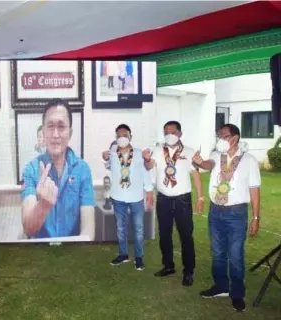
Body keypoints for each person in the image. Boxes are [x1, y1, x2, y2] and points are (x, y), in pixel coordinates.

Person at [193, 124, 260, 312]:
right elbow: (207, 165)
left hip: (236, 214)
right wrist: (199, 162)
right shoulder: (216, 155)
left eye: (224, 136)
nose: (220, 139)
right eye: (218, 136)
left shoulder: (249, 160)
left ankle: (237, 294)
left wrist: (255, 217)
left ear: (235, 138)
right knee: (218, 253)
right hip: (216, 212)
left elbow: (254, 189)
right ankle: (221, 286)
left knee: (236, 255)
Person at [21, 99, 95, 239]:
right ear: (43, 132)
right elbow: (28, 230)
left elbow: (88, 233)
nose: (55, 134)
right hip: (40, 256)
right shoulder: (31, 170)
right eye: (50, 126)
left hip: (73, 254)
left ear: (70, 133)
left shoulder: (83, 170)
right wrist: (43, 206)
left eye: (61, 127)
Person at [143, 121, 204, 286]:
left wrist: (200, 198)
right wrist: (147, 159)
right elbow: (149, 166)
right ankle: (168, 265)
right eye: (166, 132)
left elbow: (196, 176)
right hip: (163, 198)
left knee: (186, 236)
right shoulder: (157, 150)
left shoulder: (189, 152)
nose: (169, 135)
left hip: (182, 199)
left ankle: (188, 271)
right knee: (164, 235)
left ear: (180, 134)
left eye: (172, 132)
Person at [106, 124, 154, 270]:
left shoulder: (140, 153)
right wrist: (104, 158)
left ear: (130, 137)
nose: (122, 138)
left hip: (136, 197)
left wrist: (149, 191)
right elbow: (107, 165)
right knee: (121, 228)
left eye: (124, 135)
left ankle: (139, 257)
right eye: (118, 136)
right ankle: (123, 254)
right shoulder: (112, 153)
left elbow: (147, 170)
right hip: (118, 196)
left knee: (138, 229)